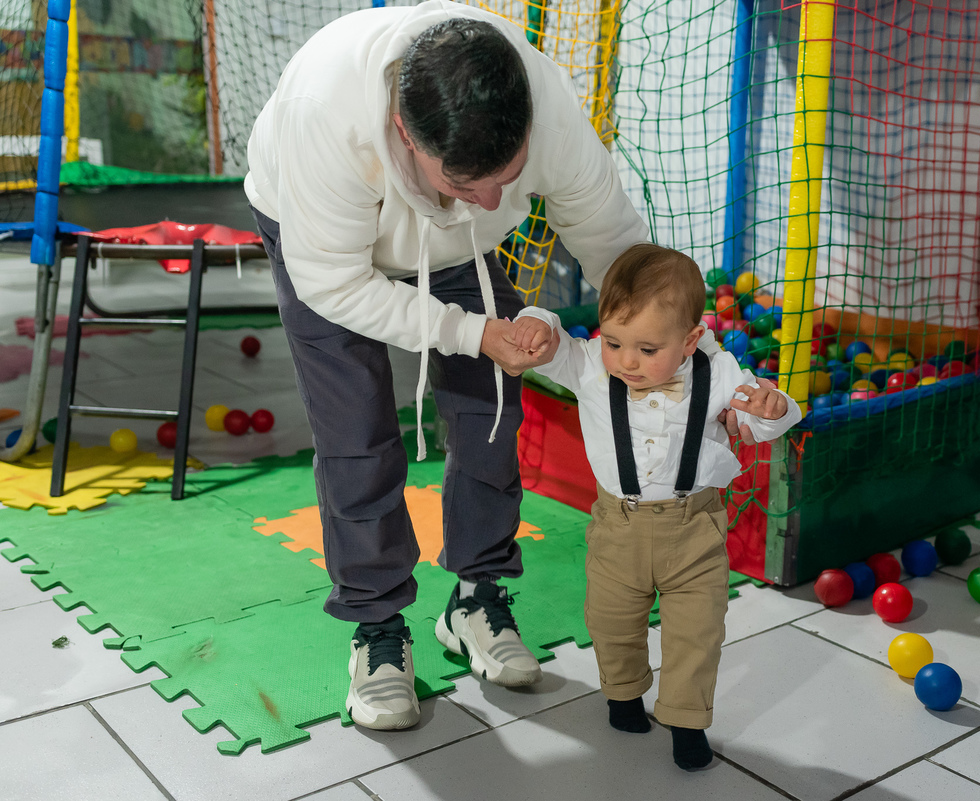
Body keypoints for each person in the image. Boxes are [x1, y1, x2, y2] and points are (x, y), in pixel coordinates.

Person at [243, 0, 651, 731]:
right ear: (406, 132)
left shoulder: (547, 109)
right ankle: (377, 628)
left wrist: (684, 350)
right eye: (469, 183)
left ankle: (475, 597)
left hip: (452, 244)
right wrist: (468, 330)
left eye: (509, 178)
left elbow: (613, 242)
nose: (494, 200)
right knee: (356, 431)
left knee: (492, 401)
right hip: (318, 243)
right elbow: (335, 284)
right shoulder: (324, 117)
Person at [510, 244, 802, 770]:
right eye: (614, 341)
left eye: (647, 349)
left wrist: (772, 409)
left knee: (697, 633)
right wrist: (536, 321)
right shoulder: (590, 365)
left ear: (690, 340)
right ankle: (623, 695)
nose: (626, 361)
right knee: (611, 622)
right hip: (617, 527)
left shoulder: (719, 371)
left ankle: (687, 723)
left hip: (695, 529)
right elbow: (551, 341)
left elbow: (757, 421)